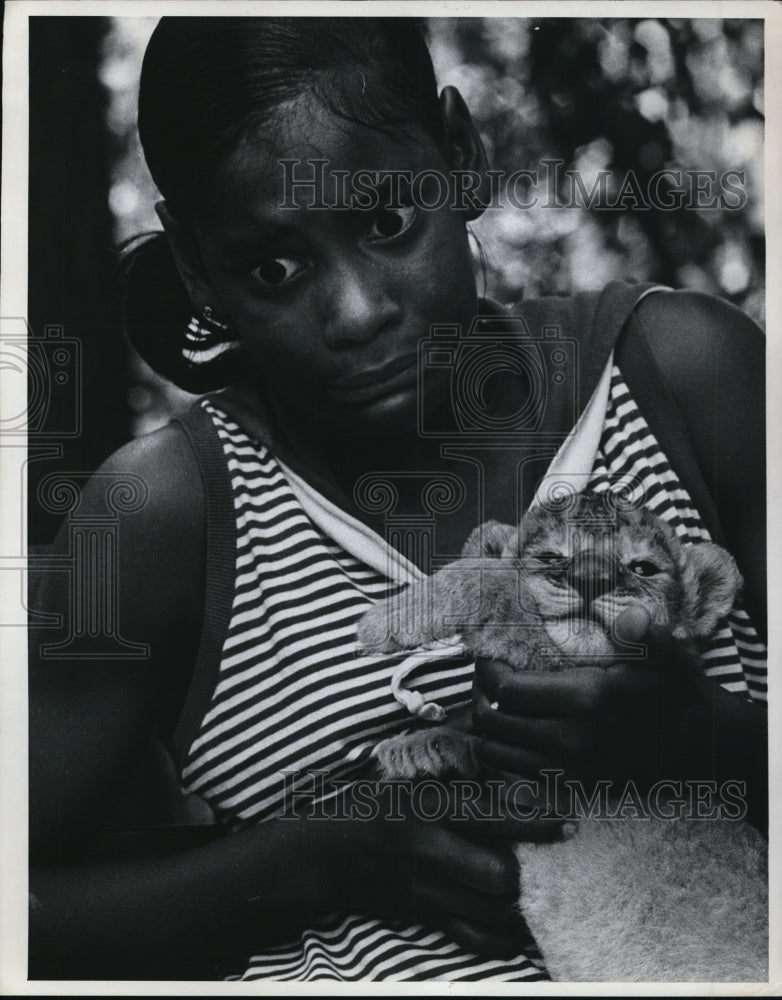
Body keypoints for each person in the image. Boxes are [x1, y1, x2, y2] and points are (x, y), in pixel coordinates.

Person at [28, 17, 767, 982]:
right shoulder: (164, 516)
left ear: (460, 151)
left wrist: (700, 738)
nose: (355, 312)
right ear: (197, 262)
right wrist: (321, 860)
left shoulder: (684, 375)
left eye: (385, 223)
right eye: (273, 268)